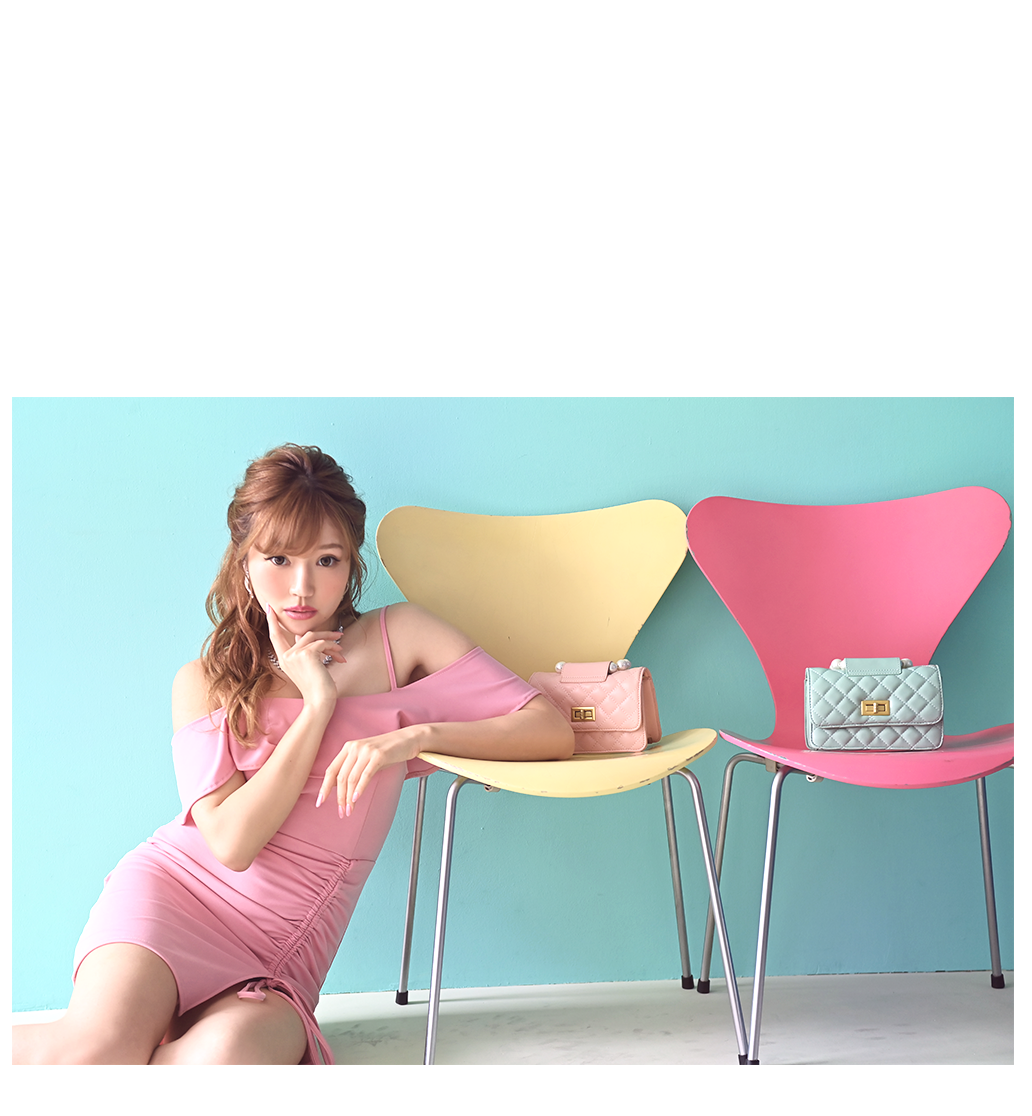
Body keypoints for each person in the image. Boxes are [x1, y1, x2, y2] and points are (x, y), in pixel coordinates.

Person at [13, 444, 574, 1064]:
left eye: (326, 560)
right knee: (97, 1051)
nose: (303, 587)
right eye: (278, 558)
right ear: (244, 563)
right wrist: (317, 707)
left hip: (282, 950)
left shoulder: (399, 637)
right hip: (172, 895)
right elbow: (232, 844)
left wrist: (416, 735)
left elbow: (549, 730)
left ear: (351, 565)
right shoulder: (204, 682)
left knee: (220, 1064)